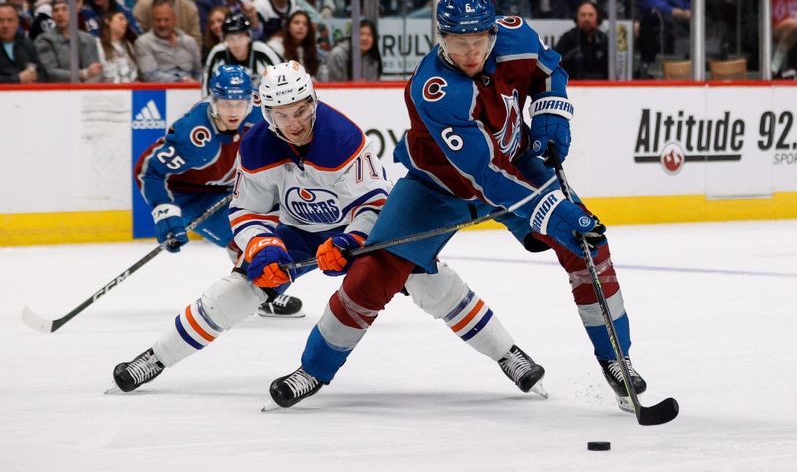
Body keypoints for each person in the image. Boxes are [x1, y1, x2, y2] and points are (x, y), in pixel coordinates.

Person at [267, 0, 648, 414]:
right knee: (374, 271)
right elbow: (485, 175)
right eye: (457, 42)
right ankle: (313, 370)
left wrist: (550, 115)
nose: (470, 53)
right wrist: (556, 213)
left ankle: (616, 359)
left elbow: (550, 72)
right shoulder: (433, 89)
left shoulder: (516, 36)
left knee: (588, 244)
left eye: (478, 41)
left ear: (493, 31)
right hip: (439, 185)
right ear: (440, 37)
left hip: (518, 162)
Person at [112, 60, 545, 398]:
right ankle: (155, 358)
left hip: (362, 230)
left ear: (313, 101)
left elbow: (375, 204)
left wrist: (351, 241)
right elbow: (246, 212)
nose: (296, 122)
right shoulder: (258, 145)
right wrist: (262, 247)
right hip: (298, 231)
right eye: (283, 114)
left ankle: (510, 355)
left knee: (431, 284)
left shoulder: (342, 137)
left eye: (301, 110)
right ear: (267, 114)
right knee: (238, 288)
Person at [130, 64, 304, 323]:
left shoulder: (262, 110)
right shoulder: (194, 136)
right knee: (241, 237)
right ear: (212, 101)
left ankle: (262, 287)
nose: (233, 112)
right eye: (225, 104)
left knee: (276, 227)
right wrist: (165, 212)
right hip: (190, 195)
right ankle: (261, 292)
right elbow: (149, 171)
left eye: (240, 104)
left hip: (230, 185)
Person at [202, 10, 282, 95]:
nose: (236, 44)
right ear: (225, 40)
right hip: (227, 106)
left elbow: (283, 79)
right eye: (231, 39)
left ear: (248, 36)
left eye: (240, 38)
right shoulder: (217, 54)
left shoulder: (264, 52)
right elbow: (206, 89)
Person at [34, 0, 103, 83]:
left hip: (87, 93)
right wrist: (83, 74)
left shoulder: (88, 39)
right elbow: (51, 72)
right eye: (56, 10)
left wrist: (84, 90)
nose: (60, 14)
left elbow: (96, 72)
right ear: (52, 15)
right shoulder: (44, 40)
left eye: (64, 9)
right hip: (59, 93)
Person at [135, 0, 202, 82]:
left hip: (192, 89)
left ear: (174, 20)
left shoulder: (189, 41)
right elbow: (149, 75)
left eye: (166, 20)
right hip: (160, 91)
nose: (162, 24)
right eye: (158, 20)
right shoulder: (143, 42)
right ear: (152, 21)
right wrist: (181, 81)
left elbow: (199, 72)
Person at [554, 0, 609, 79]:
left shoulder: (604, 40)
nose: (587, 19)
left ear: (598, 18)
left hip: (601, 87)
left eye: (590, 15)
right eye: (583, 15)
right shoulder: (567, 39)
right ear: (577, 18)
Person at [267, 9, 319, 77]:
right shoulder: (276, 46)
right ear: (288, 27)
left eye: (305, 24)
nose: (301, 27)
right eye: (296, 23)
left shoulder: (308, 48)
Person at [0, 2, 41, 83]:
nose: (5, 25)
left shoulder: (27, 44)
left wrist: (36, 78)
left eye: (10, 20)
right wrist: (17, 79)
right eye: (0, 20)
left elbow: (43, 74)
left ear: (17, 23)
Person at [96, 9, 139, 82]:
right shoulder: (97, 44)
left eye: (126, 20)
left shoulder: (128, 45)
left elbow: (134, 73)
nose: (125, 23)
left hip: (131, 89)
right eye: (121, 19)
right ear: (107, 21)